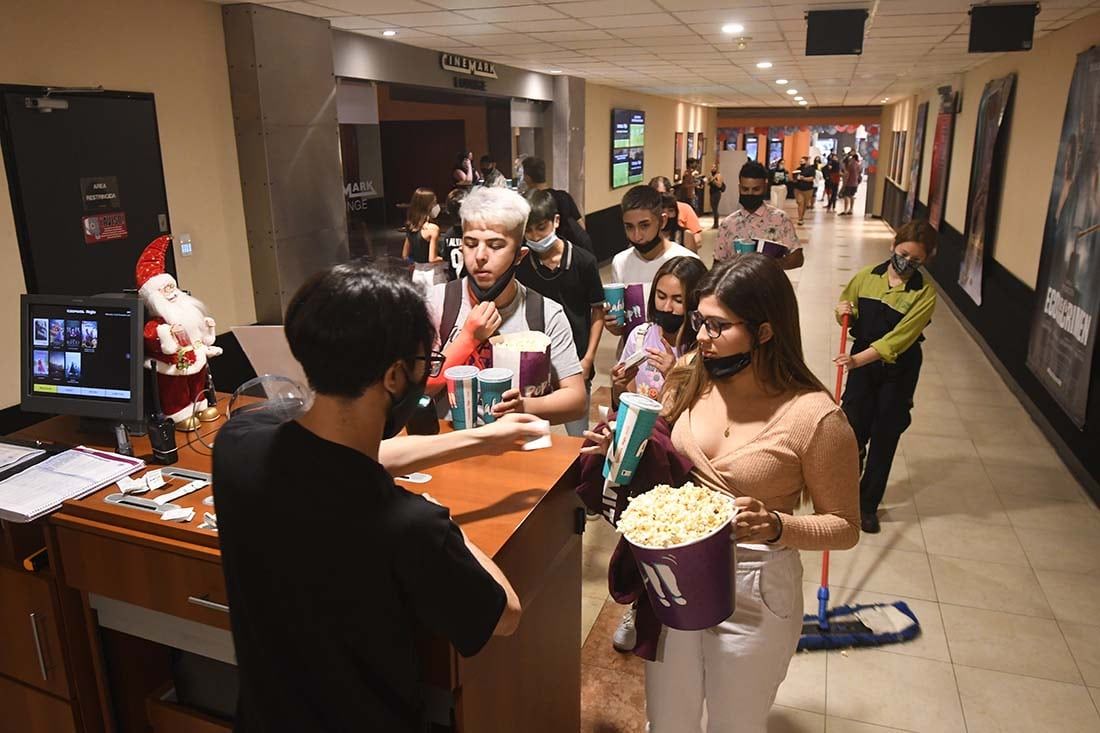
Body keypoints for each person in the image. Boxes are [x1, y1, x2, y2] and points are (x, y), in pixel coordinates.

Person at [214, 262, 546, 732]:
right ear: (395, 377)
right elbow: (504, 613)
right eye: (425, 363)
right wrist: (433, 514)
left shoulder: (239, 441)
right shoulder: (405, 526)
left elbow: (347, 456)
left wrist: (482, 439)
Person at [586, 255, 859, 732]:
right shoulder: (694, 371)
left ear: (765, 331)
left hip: (753, 580)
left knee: (734, 723)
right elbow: (662, 442)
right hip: (675, 571)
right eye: (699, 321)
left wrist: (777, 525)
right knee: (667, 719)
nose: (702, 337)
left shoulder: (814, 418)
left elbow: (844, 526)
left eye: (717, 326)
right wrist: (622, 444)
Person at [428, 187, 587, 425]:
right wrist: (468, 338)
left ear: (519, 255)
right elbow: (416, 389)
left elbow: (576, 401)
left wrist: (524, 406)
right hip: (451, 449)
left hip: (520, 454)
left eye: (495, 245)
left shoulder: (546, 313)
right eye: (471, 243)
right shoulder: (438, 302)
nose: (480, 256)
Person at [835, 221, 938, 533]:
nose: (907, 262)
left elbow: (898, 340)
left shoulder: (924, 294)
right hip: (862, 363)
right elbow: (845, 306)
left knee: (885, 433)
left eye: (916, 260)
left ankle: (867, 505)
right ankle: (844, 494)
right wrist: (842, 311)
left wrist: (856, 359)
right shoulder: (867, 277)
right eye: (904, 253)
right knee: (852, 428)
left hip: (898, 368)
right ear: (894, 246)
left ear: (926, 261)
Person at [516, 189, 605, 437]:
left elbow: (597, 311)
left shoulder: (583, 261)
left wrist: (587, 359)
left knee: (577, 437)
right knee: (531, 438)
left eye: (541, 228)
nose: (534, 237)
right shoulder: (521, 263)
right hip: (532, 365)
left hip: (574, 361)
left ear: (555, 221)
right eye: (528, 230)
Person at [605, 185, 701, 351]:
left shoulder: (687, 260)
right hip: (633, 357)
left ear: (662, 221)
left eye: (644, 225)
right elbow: (622, 323)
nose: (637, 236)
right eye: (629, 227)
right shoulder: (620, 262)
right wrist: (614, 326)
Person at [611, 255, 707, 406]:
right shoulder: (639, 337)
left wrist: (673, 374)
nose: (667, 308)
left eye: (678, 300)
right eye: (661, 297)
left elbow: (702, 411)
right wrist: (618, 386)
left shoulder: (704, 347)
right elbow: (624, 404)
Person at [714, 160, 804, 270]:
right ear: (739, 188)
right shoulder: (727, 224)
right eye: (745, 189)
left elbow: (798, 257)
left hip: (770, 285)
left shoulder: (780, 219)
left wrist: (768, 266)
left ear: (765, 187)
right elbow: (718, 264)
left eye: (756, 189)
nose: (750, 194)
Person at [522, 156, 593, 254]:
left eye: (541, 227)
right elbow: (581, 226)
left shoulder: (526, 204)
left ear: (527, 177)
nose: (536, 236)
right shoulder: (563, 196)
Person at [401, 188, 446, 288]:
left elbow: (405, 255)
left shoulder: (410, 226)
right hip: (433, 274)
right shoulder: (433, 229)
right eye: (434, 203)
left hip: (417, 274)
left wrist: (413, 264)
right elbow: (432, 258)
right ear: (428, 206)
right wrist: (447, 258)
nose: (436, 206)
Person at [441, 187, 468, 281]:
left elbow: (445, 259)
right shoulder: (470, 234)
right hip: (469, 281)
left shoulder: (448, 234)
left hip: (453, 280)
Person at [793, 155, 816, 225]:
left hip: (808, 189)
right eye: (800, 161)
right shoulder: (798, 169)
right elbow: (794, 178)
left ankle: (802, 216)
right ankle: (800, 218)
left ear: (806, 161)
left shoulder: (811, 169)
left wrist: (803, 178)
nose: (801, 162)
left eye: (802, 161)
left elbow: (811, 178)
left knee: (805, 204)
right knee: (800, 203)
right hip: (798, 189)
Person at [708, 162, 726, 228]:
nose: (713, 168)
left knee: (715, 208)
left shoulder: (718, 175)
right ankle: (715, 223)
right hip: (712, 193)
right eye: (712, 167)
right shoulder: (711, 175)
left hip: (716, 194)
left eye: (714, 167)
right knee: (713, 208)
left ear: (717, 168)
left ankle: (716, 224)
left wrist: (713, 180)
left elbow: (719, 185)